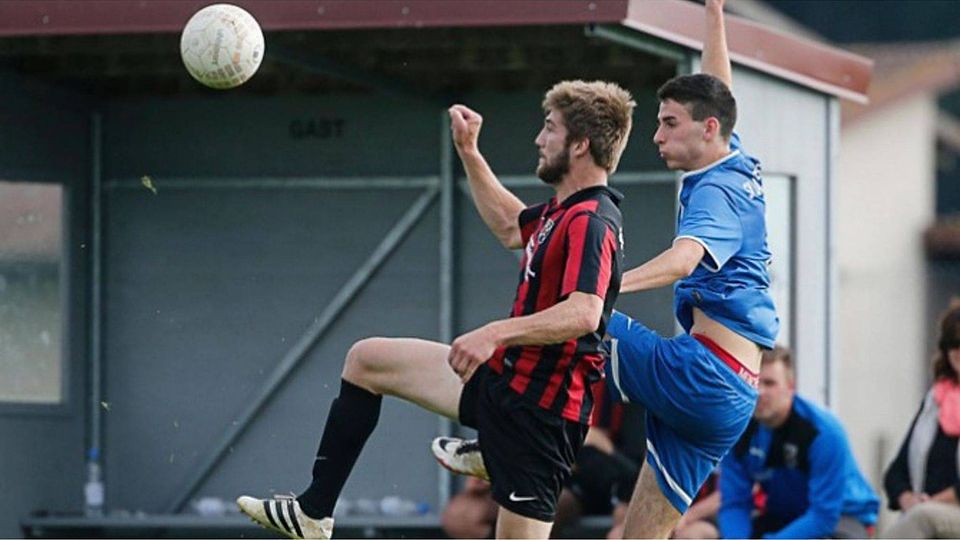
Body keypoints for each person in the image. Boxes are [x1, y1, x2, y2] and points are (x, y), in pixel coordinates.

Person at [236, 80, 636, 540]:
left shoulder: (591, 221)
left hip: (540, 419)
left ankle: (497, 449)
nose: (538, 140)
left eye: (549, 129)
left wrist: (495, 334)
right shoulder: (561, 212)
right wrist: (469, 151)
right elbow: (510, 225)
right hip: (505, 389)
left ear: (580, 144)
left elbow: (585, 313)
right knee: (367, 360)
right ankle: (313, 512)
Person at [433, 1, 775, 537]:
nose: (657, 137)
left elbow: (685, 259)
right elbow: (717, 89)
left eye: (668, 124)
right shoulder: (733, 157)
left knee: (572, 318)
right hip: (729, 395)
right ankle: (509, 439)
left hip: (700, 373)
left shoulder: (718, 194)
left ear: (707, 130)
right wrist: (714, 13)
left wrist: (604, 289)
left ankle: (504, 441)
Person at [440, 382, 643, 539]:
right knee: (460, 515)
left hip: (588, 475)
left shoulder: (593, 367)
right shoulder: (517, 369)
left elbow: (598, 442)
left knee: (536, 504)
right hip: (526, 466)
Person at [718, 346, 879, 539]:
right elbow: (735, 504)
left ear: (790, 387)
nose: (760, 392)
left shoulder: (823, 432)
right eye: (754, 382)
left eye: (769, 383)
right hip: (787, 514)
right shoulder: (737, 430)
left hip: (842, 516)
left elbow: (823, 516)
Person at [881, 300, 960, 539]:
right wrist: (908, 499)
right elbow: (895, 474)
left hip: (935, 515)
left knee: (922, 519)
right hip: (926, 514)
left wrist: (930, 504)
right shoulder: (934, 401)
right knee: (920, 519)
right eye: (954, 343)